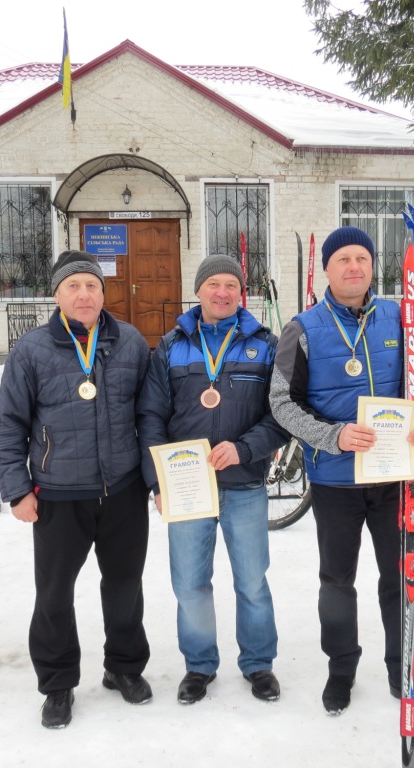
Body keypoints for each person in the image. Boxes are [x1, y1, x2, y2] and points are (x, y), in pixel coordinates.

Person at [269, 226, 414, 722]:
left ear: (373, 266)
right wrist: (332, 437)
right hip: (335, 482)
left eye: (362, 258)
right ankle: (341, 669)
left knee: (401, 579)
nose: (353, 267)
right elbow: (281, 403)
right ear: (327, 269)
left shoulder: (399, 316)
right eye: (343, 258)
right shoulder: (302, 329)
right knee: (337, 581)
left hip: (394, 479)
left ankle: (404, 671)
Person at [0, 250, 153, 729]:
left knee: (124, 586)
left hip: (122, 490)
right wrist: (17, 489)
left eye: (92, 286)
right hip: (59, 494)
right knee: (55, 593)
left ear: (104, 294)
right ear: (58, 295)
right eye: (74, 287)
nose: (84, 294)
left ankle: (123, 668)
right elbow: (9, 424)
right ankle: (58, 683)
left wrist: (153, 479)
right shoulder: (32, 350)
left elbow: (149, 417)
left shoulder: (130, 342)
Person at [137, 255, 288, 705]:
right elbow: (151, 416)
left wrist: (244, 448)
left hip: (243, 483)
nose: (223, 292)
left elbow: (280, 414)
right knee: (190, 583)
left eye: (231, 285)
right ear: (198, 290)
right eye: (214, 284)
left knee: (252, 581)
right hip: (187, 488)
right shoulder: (170, 346)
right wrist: (157, 482)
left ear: (241, 293)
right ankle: (199, 665)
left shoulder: (265, 344)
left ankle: (259, 663)